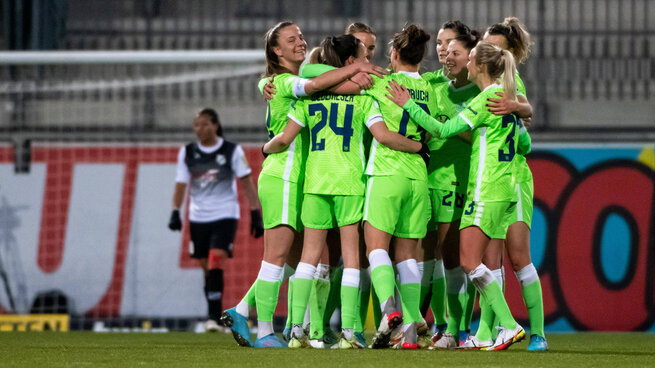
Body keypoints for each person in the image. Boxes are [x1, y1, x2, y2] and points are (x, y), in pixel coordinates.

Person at [221, 21, 387, 348]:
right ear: (275, 51)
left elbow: (318, 81)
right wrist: (359, 71)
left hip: (305, 177)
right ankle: (267, 330)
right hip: (285, 174)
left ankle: (285, 322)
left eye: (300, 36)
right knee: (277, 258)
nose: (299, 42)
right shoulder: (285, 83)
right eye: (290, 39)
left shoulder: (293, 78)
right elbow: (315, 87)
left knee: (303, 261)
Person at [264, 34, 428, 349]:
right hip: (350, 182)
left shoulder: (307, 99)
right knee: (352, 258)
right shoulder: (364, 99)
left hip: (315, 182)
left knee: (308, 257)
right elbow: (382, 135)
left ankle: (298, 331)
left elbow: (284, 138)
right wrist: (419, 147)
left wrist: (267, 147)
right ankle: (350, 334)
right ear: (352, 62)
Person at [387, 40, 527, 351]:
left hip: (486, 186)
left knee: (469, 260)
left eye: (470, 58)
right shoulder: (502, 96)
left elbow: (444, 130)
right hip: (503, 187)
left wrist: (407, 105)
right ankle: (503, 326)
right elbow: (525, 141)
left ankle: (507, 325)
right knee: (476, 261)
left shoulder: (486, 98)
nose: (465, 63)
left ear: (480, 66)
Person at [482, 16, 547, 352]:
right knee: (489, 259)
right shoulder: (482, 80)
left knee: (518, 256)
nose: (488, 50)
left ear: (508, 53)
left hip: (513, 177)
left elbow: (525, 115)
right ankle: (487, 332)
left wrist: (519, 109)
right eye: (485, 44)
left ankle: (537, 333)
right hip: (491, 178)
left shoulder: (509, 79)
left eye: (495, 47)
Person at [168, 108, 264, 332]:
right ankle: (215, 315)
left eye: (204, 124)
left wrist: (254, 213)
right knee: (206, 268)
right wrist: (175, 211)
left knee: (215, 259)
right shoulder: (188, 152)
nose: (199, 129)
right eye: (196, 125)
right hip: (198, 217)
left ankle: (213, 318)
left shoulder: (231, 150)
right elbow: (181, 184)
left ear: (215, 125)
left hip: (224, 214)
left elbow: (246, 182)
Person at [425, 26, 483, 349]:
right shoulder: (431, 84)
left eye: (449, 45)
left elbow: (487, 134)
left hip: (462, 178)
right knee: (430, 257)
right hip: (428, 177)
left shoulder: (481, 90)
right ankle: (441, 324)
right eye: (438, 44)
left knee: (458, 256)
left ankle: (460, 328)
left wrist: (451, 127)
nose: (443, 50)